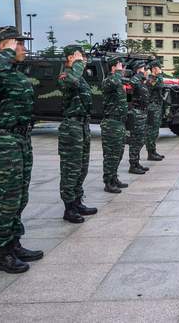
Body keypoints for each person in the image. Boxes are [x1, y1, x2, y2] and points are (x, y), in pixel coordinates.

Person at [0, 26, 42, 273]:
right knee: (4, 200)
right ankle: (2, 254)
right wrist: (6, 49)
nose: (24, 48)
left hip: (20, 141)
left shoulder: (14, 73)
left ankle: (14, 243)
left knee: (19, 196)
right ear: (6, 45)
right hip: (3, 144)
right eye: (20, 43)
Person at [58, 45, 98, 223]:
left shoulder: (79, 76)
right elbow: (72, 82)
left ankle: (77, 201)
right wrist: (77, 64)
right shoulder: (66, 75)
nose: (84, 58)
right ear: (70, 58)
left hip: (82, 125)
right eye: (80, 55)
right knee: (70, 169)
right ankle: (69, 208)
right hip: (71, 127)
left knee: (82, 167)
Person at [101, 56, 129, 194]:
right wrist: (117, 72)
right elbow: (115, 80)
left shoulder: (117, 80)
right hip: (111, 123)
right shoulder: (109, 80)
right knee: (111, 154)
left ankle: (114, 177)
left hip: (119, 122)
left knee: (118, 152)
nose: (123, 69)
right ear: (113, 67)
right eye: (120, 66)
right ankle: (108, 182)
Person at [127, 60, 150, 174]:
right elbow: (131, 84)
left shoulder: (142, 82)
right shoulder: (135, 80)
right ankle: (133, 164)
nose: (146, 71)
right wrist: (139, 73)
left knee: (141, 139)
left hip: (143, 113)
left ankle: (136, 162)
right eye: (144, 69)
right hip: (137, 113)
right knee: (135, 139)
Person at [146, 60, 165, 161]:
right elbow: (160, 85)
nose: (160, 70)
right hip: (152, 107)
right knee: (151, 131)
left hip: (157, 107)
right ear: (154, 69)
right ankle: (150, 152)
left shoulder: (156, 78)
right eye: (158, 68)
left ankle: (153, 151)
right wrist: (159, 74)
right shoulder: (151, 78)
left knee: (155, 130)